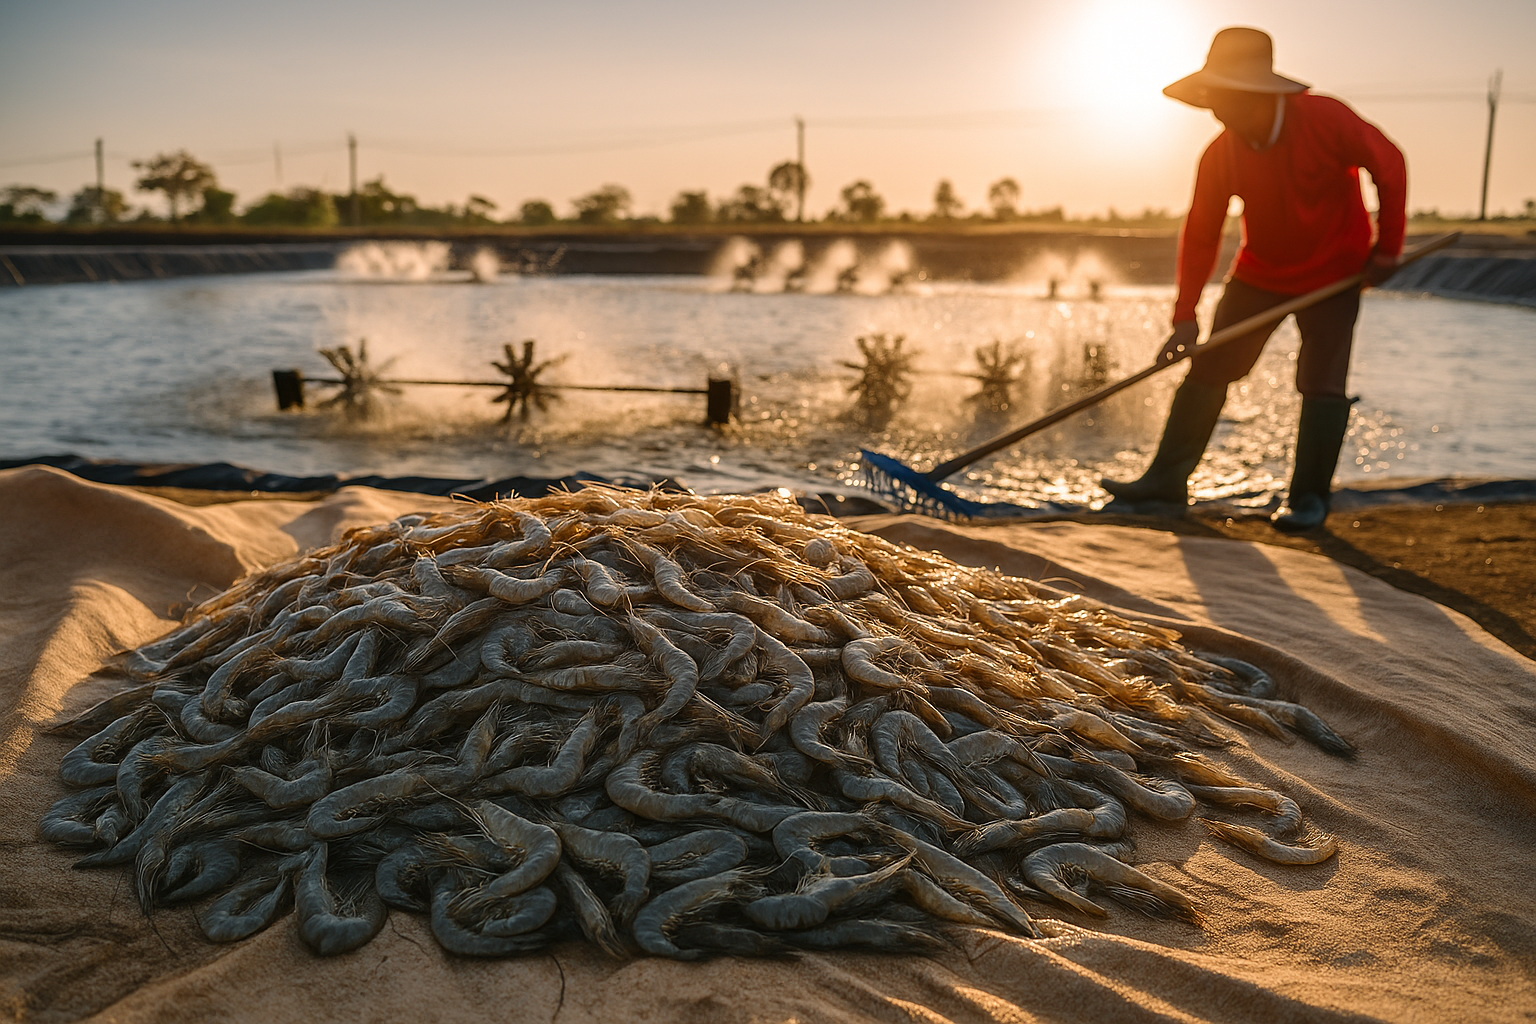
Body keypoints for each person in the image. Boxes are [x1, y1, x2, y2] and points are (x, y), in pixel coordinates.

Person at [1101, 27, 1407, 532]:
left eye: (1228, 99)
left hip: (1336, 271)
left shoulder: (1326, 119)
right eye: (1214, 101)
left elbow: (1390, 165)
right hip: (1259, 273)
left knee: (1321, 380)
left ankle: (1307, 499)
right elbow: (1200, 235)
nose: (1220, 112)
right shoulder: (1221, 153)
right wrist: (1183, 318)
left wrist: (1387, 249)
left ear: (1261, 94)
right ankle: (1164, 483)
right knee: (1209, 366)